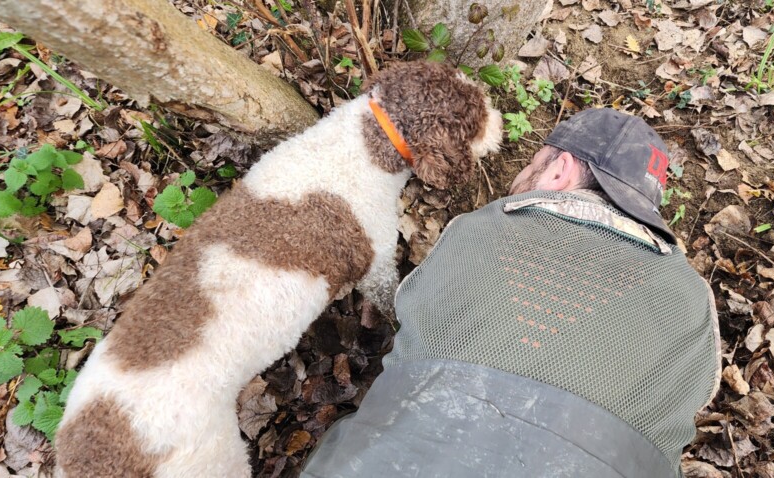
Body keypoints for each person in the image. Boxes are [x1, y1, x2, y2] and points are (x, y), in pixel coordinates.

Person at [301, 108, 721, 478]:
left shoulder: (477, 229)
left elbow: (410, 309)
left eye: (534, 162)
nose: (522, 176)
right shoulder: (693, 299)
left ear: (560, 171)